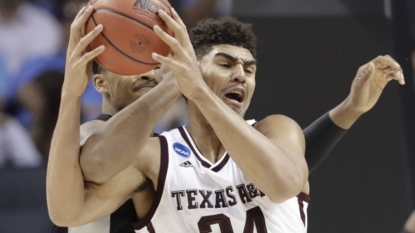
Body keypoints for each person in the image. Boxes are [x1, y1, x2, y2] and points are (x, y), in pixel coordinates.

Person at [47, 6, 405, 233]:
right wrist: (70, 94)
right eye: (225, 64)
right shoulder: (155, 157)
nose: (241, 76)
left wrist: (199, 89)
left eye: (249, 69)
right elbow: (66, 210)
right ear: (188, 70)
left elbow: (282, 185)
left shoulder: (277, 129)